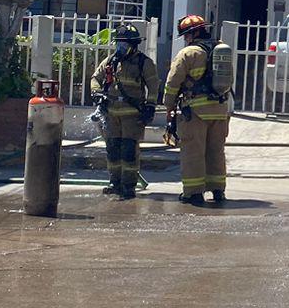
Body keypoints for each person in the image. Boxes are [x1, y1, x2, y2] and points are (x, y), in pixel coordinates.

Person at [163, 14, 232, 207]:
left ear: (193, 34)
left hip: (195, 113)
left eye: (186, 36)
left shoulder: (188, 54)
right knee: (216, 151)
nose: (185, 39)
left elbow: (172, 83)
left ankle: (193, 193)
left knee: (193, 152)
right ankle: (218, 190)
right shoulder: (221, 49)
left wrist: (168, 106)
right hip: (219, 111)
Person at [91, 24, 158, 199]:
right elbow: (95, 78)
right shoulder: (110, 61)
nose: (120, 49)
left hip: (132, 116)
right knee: (113, 149)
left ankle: (128, 185)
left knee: (129, 150)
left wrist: (150, 107)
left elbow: (153, 86)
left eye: (124, 45)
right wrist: (97, 93)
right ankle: (115, 182)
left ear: (133, 45)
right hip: (111, 114)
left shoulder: (144, 63)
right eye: (118, 45)